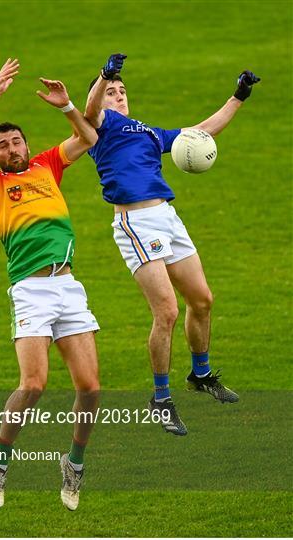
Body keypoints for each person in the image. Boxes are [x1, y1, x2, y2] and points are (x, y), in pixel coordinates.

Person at [85, 54, 260, 436]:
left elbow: (201, 132)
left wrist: (239, 96)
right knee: (166, 311)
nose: (118, 95)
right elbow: (89, 109)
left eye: (121, 90)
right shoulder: (99, 126)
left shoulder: (147, 131)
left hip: (167, 218)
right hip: (135, 221)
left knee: (202, 299)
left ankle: (201, 375)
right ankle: (160, 399)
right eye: (111, 92)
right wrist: (104, 76)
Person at [0, 58, 100, 511]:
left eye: (15, 141)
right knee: (34, 384)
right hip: (30, 289)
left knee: (91, 388)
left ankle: (75, 464)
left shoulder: (47, 165)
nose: (9, 149)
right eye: (2, 145)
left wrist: (67, 107)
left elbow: (88, 137)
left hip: (68, 286)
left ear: (27, 143)